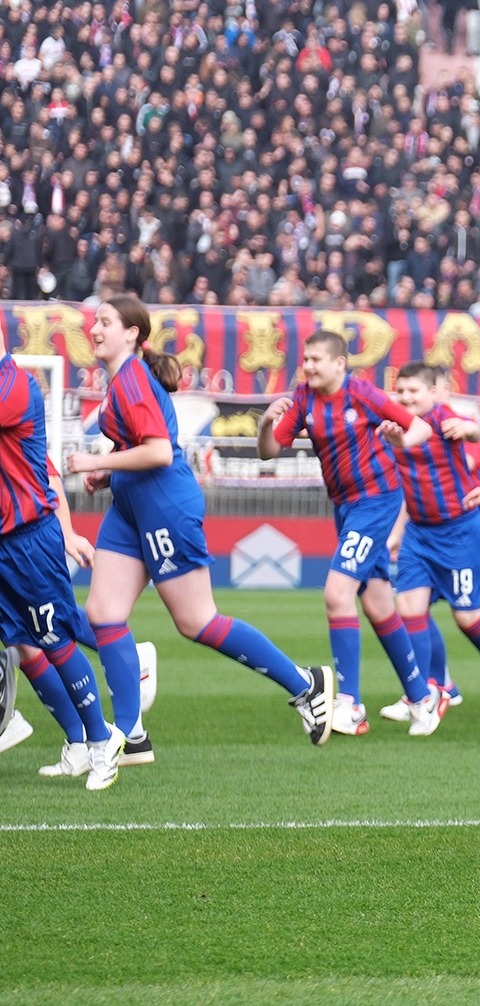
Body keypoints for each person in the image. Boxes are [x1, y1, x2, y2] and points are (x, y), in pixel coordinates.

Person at [72, 296, 334, 749]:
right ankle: (131, 737)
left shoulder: (132, 380)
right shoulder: (121, 380)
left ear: (132, 333)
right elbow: (144, 445)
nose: (95, 329)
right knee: (103, 613)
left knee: (197, 621)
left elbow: (158, 451)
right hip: (131, 505)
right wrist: (109, 467)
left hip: (163, 507)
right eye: (95, 321)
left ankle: (307, 684)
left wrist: (93, 460)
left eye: (106, 322)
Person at [257, 331, 442, 738]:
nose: (307, 366)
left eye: (316, 359)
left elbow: (421, 431)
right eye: (305, 359)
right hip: (346, 507)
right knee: (377, 604)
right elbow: (269, 451)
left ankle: (351, 704)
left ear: (340, 364)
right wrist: (266, 422)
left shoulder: (363, 394)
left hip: (376, 500)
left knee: (336, 594)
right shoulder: (303, 398)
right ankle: (422, 698)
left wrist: (399, 440)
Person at [386, 363, 480, 729]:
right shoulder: (394, 424)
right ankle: (423, 694)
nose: (406, 398)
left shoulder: (444, 418)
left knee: (473, 614)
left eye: (413, 391)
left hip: (461, 531)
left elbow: (470, 433)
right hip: (420, 534)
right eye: (400, 392)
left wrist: (468, 429)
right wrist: (397, 531)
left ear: (433, 392)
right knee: (409, 609)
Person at [1, 355, 121, 789]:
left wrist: (68, 533)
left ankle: (103, 741)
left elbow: (49, 478)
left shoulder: (14, 385)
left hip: (28, 538)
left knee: (53, 637)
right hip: (4, 542)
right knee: (21, 644)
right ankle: (74, 743)